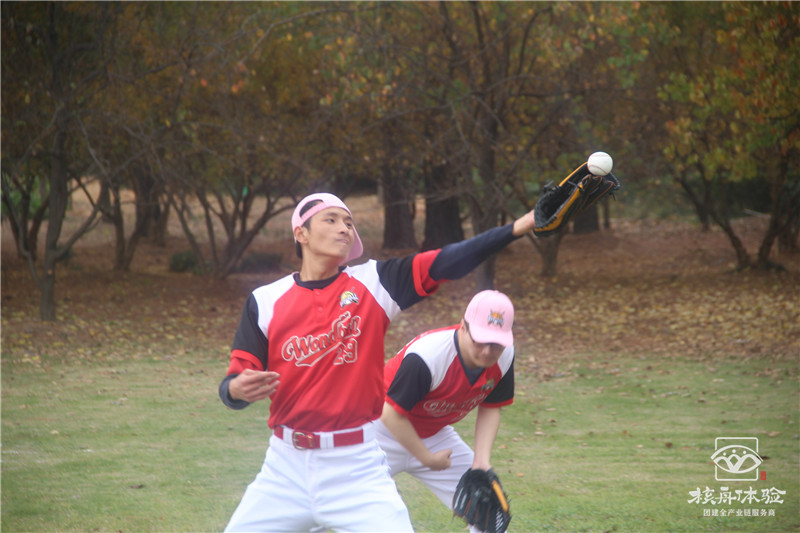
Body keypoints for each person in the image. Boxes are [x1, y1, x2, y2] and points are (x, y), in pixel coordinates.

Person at [218, 192, 538, 532]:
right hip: (285, 468)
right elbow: (232, 385)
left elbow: (447, 260)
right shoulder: (264, 301)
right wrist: (236, 390)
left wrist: (518, 227)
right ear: (301, 233)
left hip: (356, 466)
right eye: (331, 219)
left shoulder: (373, 283)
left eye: (349, 222)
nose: (344, 228)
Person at [374, 290, 516, 532]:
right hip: (378, 432)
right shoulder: (428, 357)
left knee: (488, 510)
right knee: (334, 504)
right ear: (463, 327)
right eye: (480, 340)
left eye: (496, 344)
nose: (487, 351)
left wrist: (481, 462)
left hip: (434, 434)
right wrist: (426, 458)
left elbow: (491, 407)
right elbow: (391, 414)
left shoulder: (504, 357)